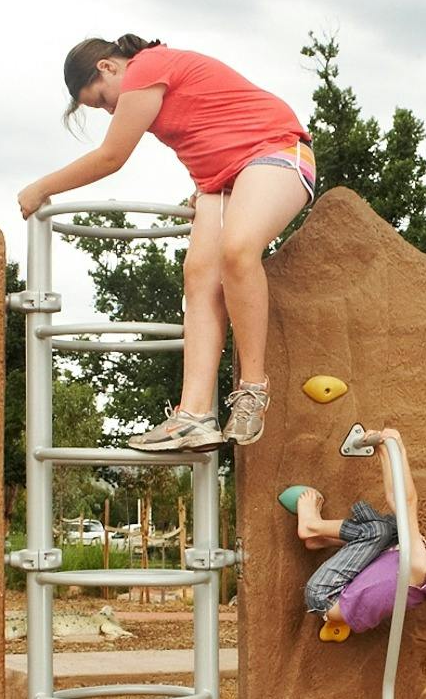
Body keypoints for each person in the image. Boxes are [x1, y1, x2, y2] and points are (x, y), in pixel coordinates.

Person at [16, 35, 314, 452]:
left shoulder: (145, 68)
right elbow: (205, 125)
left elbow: (111, 156)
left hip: (276, 153)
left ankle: (252, 390)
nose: (109, 110)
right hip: (221, 182)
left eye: (101, 100)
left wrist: (41, 188)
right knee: (198, 278)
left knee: (237, 249)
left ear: (108, 67)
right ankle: (193, 415)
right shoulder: (146, 79)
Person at [291, 429, 426, 699]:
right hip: (340, 592)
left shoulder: (420, 567)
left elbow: (405, 502)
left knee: (378, 531)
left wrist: (397, 447)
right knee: (391, 530)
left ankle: (310, 526)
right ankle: (320, 539)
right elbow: (398, 502)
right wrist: (385, 452)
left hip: (327, 593)